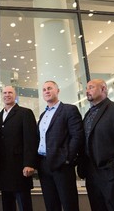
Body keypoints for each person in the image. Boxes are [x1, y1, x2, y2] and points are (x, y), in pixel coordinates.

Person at [77, 79, 114, 211]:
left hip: (112, 174)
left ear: (103, 89)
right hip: (91, 174)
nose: (87, 91)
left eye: (91, 87)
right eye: (86, 88)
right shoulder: (88, 114)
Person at [37, 81, 84, 211]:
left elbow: (77, 136)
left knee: (69, 204)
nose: (46, 91)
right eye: (44, 89)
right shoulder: (43, 115)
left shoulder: (69, 109)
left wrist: (68, 159)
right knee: (51, 205)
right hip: (44, 165)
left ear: (58, 91)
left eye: (50, 88)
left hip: (62, 165)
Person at [0, 85, 38, 211]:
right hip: (3, 169)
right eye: (5, 93)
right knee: (7, 204)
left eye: (10, 92)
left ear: (15, 95)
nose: (7, 95)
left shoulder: (25, 113)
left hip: (20, 168)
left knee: (24, 204)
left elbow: (31, 140)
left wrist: (29, 163)